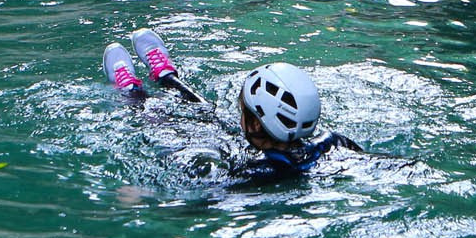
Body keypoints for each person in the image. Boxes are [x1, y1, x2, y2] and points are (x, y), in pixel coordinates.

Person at [102, 33, 361, 185]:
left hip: (241, 152)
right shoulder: (333, 143)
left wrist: (146, 194)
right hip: (259, 150)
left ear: (256, 124)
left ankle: (131, 91)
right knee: (211, 117)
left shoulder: (253, 172)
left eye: (244, 110)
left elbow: (202, 200)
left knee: (182, 129)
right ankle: (166, 77)